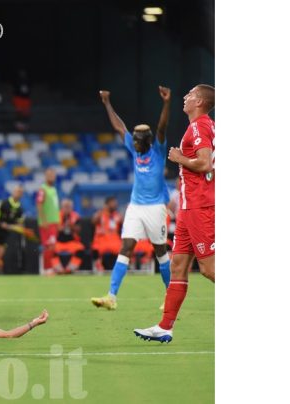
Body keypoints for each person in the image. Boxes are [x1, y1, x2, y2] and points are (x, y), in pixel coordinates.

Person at [134, 84, 215, 343]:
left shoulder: (199, 126)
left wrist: (179, 159)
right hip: (188, 208)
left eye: (190, 95)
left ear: (200, 101)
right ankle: (165, 326)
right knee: (178, 266)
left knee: (209, 268)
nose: (185, 97)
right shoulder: (202, 126)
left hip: (200, 207)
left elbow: (205, 163)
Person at [91, 87, 173, 310]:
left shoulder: (157, 151)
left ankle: (170, 296)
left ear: (146, 141)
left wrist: (166, 103)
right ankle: (111, 296)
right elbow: (119, 127)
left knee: (160, 252)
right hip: (136, 207)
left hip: (156, 208)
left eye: (137, 141)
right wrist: (107, 102)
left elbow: (162, 127)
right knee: (125, 247)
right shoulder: (135, 151)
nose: (133, 143)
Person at [51, 199, 86, 274]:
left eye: (69, 207)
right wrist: (63, 226)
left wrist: (71, 226)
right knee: (51, 249)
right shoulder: (57, 216)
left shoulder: (75, 216)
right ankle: (59, 269)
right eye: (65, 207)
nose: (67, 209)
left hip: (72, 242)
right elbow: (55, 229)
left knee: (80, 249)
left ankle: (70, 269)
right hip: (59, 242)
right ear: (62, 207)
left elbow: (79, 229)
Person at [90, 196, 123, 274]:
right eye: (112, 203)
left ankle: (119, 268)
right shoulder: (100, 214)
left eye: (115, 203)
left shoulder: (117, 215)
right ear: (107, 204)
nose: (115, 205)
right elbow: (93, 221)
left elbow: (124, 225)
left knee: (122, 248)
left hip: (114, 241)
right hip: (102, 240)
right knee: (97, 247)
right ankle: (98, 265)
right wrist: (102, 212)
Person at [36, 167, 60, 272]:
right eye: (49, 175)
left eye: (53, 175)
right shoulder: (43, 189)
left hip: (54, 222)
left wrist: (58, 221)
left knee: (52, 246)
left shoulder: (53, 189)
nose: (52, 177)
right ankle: (47, 268)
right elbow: (39, 204)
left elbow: (55, 207)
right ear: (45, 176)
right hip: (47, 223)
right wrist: (44, 220)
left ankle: (49, 267)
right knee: (48, 246)